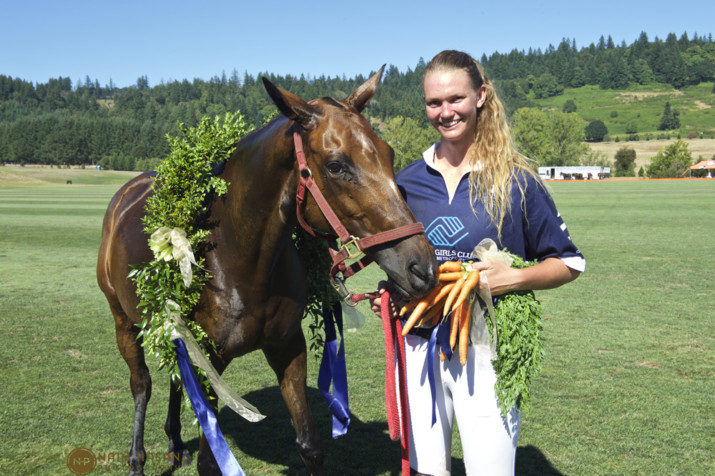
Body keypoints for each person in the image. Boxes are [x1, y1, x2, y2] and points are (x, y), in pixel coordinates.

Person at [370, 50, 585, 476]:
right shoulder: (407, 182)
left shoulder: (516, 179)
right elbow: (402, 262)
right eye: (434, 103)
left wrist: (515, 278)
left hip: (487, 351)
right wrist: (390, 294)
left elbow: (570, 262)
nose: (445, 112)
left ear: (481, 96)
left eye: (456, 99)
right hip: (419, 347)